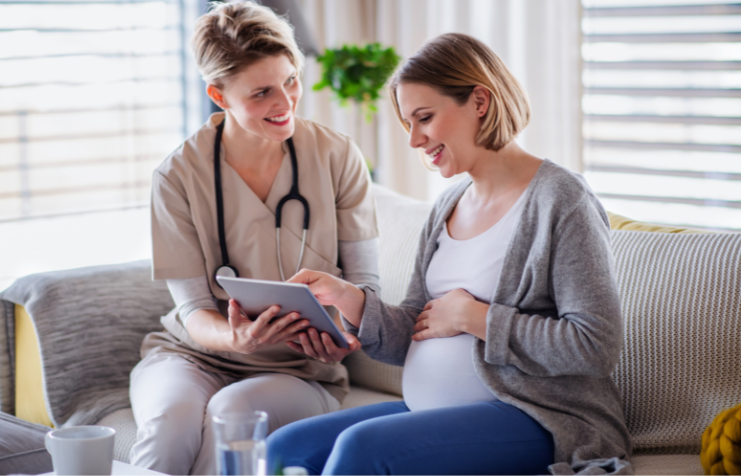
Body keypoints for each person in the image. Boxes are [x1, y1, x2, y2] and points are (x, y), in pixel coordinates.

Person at [267, 33, 632, 475]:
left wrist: (473, 318)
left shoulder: (560, 199)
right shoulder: (448, 204)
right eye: (408, 124)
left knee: (364, 448)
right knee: (283, 449)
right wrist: (350, 300)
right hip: (429, 410)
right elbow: (415, 331)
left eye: (424, 118)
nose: (415, 140)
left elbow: (595, 347)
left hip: (536, 416)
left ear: (479, 101)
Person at [128, 1, 380, 476]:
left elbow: (365, 288)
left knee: (233, 415)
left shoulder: (336, 155)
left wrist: (347, 334)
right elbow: (194, 310)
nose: (284, 102)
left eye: (290, 80)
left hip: (298, 370)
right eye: (261, 92)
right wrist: (235, 338)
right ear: (219, 97)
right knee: (169, 423)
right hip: (192, 355)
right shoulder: (178, 176)